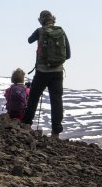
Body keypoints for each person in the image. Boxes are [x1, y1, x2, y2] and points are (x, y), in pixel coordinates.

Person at [22, 10, 70, 138]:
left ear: (41, 20)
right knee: (56, 101)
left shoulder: (40, 31)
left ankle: (26, 124)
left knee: (33, 97)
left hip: (42, 71)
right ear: (53, 19)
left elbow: (29, 40)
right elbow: (68, 54)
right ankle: (56, 132)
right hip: (58, 73)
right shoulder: (61, 31)